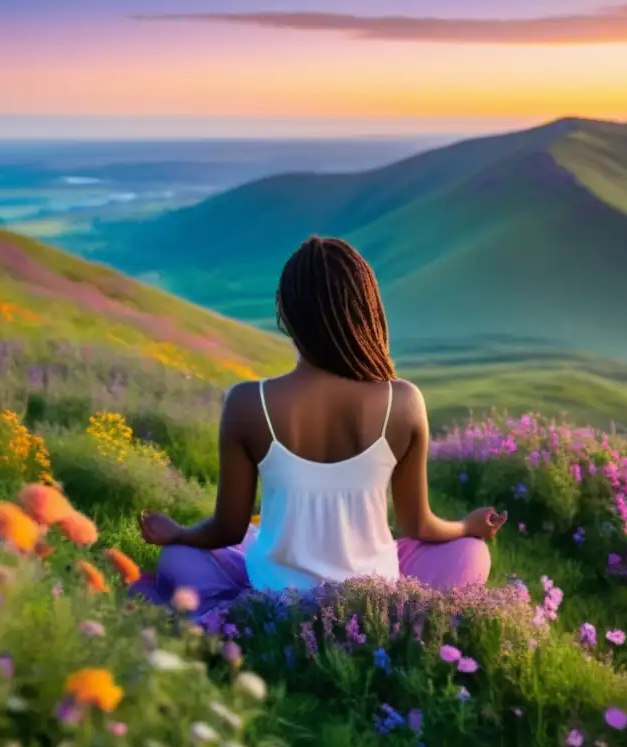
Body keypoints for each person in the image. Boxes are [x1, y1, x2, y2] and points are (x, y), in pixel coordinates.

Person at [133, 236, 506, 615]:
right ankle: (389, 620)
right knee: (469, 553)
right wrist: (466, 526)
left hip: (277, 595)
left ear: (287, 315)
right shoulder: (404, 401)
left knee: (180, 558)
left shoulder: (248, 402)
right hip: (373, 596)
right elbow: (419, 524)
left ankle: (251, 617)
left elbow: (227, 529)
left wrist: (179, 534)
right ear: (367, 310)